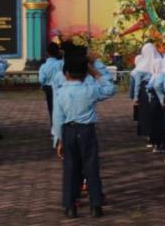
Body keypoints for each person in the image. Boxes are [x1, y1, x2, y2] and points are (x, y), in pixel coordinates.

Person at [52, 49, 116, 219]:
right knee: (91, 167)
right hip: (87, 130)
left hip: (69, 130)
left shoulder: (60, 92)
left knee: (70, 168)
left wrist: (59, 140)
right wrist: (96, 72)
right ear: (84, 73)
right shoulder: (90, 89)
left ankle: (70, 205)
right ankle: (96, 206)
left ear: (66, 73)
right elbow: (110, 89)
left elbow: (58, 118)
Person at [38, 42, 62, 124]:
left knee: (51, 108)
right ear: (58, 52)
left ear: (47, 53)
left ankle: (54, 128)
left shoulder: (44, 66)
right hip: (61, 88)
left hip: (49, 89)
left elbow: (41, 80)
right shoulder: (62, 63)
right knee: (61, 108)